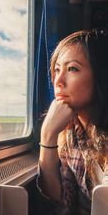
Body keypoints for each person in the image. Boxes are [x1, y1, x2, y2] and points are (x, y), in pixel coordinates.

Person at [37, 29, 108, 215]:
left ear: (100, 76)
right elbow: (61, 201)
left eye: (72, 69)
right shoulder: (71, 135)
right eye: (57, 69)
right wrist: (48, 136)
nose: (58, 81)